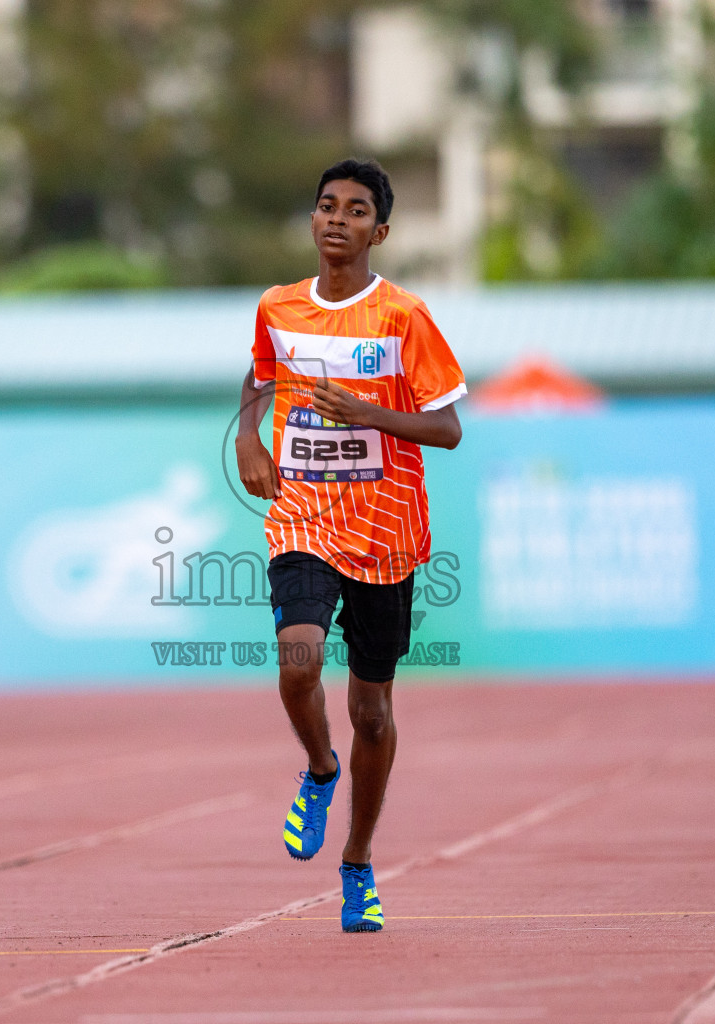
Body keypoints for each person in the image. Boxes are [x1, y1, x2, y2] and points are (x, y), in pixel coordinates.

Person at [235, 158, 466, 933]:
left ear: (381, 230)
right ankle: (319, 768)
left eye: (357, 210)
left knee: (373, 711)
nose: (338, 219)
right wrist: (247, 441)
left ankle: (358, 860)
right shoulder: (278, 307)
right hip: (303, 516)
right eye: (327, 206)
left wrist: (369, 412)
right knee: (297, 660)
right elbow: (260, 380)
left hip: (386, 530)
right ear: (312, 220)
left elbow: (447, 428)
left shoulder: (403, 316)